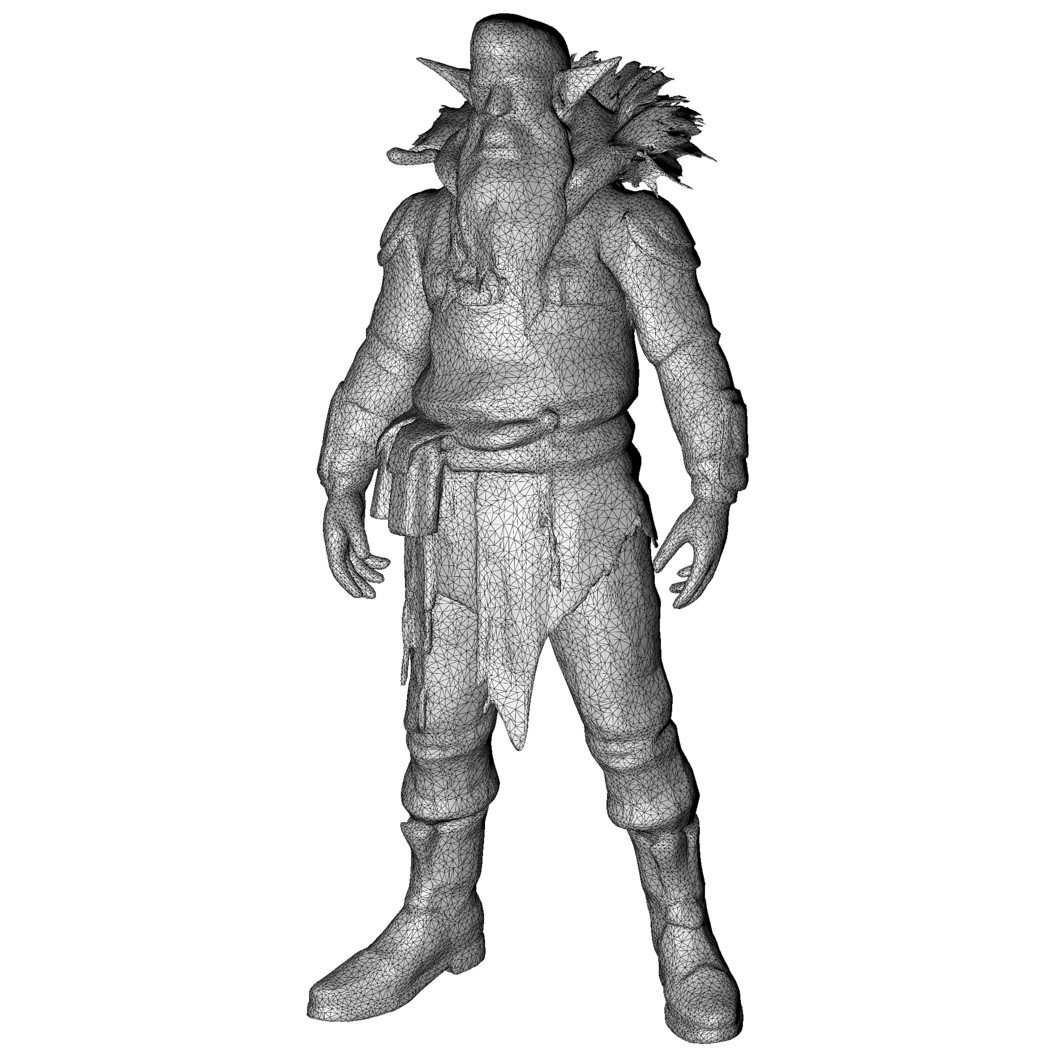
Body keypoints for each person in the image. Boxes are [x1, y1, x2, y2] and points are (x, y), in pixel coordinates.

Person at [308, 19, 745, 1044]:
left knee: (632, 734)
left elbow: (688, 358)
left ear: (563, 106)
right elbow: (386, 360)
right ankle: (438, 916)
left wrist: (712, 488)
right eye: (485, 96)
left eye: (522, 97)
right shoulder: (426, 229)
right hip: (453, 512)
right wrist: (341, 477)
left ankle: (683, 933)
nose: (501, 117)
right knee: (436, 735)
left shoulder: (624, 229)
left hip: (585, 512)